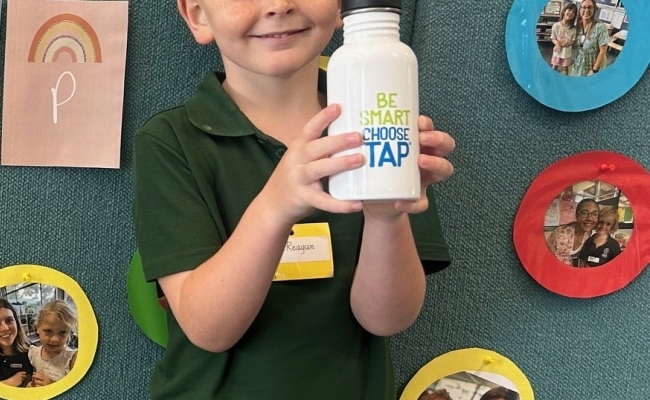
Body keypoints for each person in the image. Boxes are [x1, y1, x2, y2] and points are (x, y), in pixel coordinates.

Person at [132, 0, 456, 398]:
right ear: (198, 14)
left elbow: (387, 320)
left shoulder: (385, 121)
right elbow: (209, 330)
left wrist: (387, 217)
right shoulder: (170, 142)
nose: (278, 5)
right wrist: (275, 207)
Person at [27, 299, 78, 387]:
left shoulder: (71, 359)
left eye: (62, 332)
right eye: (48, 331)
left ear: (69, 332)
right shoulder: (34, 353)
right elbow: (35, 377)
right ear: (37, 328)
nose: (55, 339)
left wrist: (51, 385)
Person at [548, 199, 598, 265]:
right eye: (584, 213)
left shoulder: (587, 236)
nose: (590, 218)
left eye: (594, 214)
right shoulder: (562, 233)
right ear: (576, 215)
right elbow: (551, 259)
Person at [569, 0, 610, 77]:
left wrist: (594, 70)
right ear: (580, 9)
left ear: (594, 9)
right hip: (580, 62)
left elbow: (603, 51)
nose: (587, 10)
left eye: (590, 7)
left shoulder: (600, 27)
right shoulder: (578, 26)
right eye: (584, 7)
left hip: (594, 64)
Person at [550, 2, 579, 74]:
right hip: (557, 52)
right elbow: (553, 38)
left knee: (566, 68)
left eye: (573, 12)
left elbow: (573, 40)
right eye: (569, 10)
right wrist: (557, 44)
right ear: (564, 11)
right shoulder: (556, 25)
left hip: (567, 53)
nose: (571, 13)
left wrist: (567, 44)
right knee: (554, 66)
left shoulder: (573, 29)